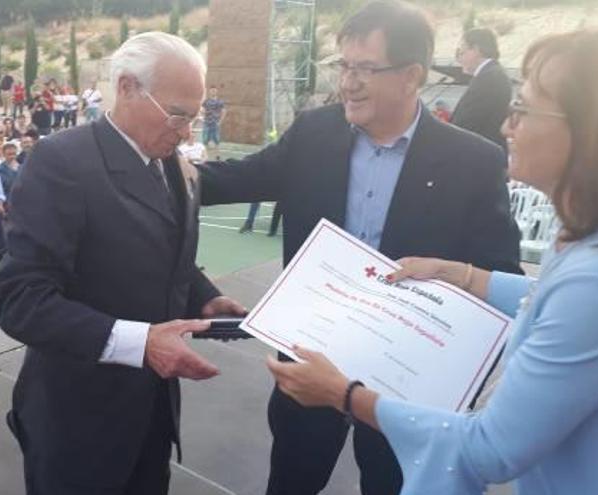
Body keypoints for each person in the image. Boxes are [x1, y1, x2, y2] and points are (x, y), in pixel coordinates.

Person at [266, 26, 598, 495]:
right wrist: (465, 277)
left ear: (594, 131)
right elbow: (554, 302)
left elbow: (488, 449)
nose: (507, 126)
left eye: (523, 109)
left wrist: (345, 396)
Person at [197, 2, 521, 494]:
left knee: (389, 484)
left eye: (365, 68)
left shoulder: (473, 161)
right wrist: (159, 168)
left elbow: (499, 272)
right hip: (310, 360)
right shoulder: (314, 132)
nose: (348, 81)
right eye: (343, 65)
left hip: (402, 380)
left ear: (412, 75)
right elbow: (240, 177)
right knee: (291, 479)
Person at [0, 32, 245, 495]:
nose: (187, 131)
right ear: (127, 87)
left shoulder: (177, 166)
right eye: (178, 114)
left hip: (152, 413)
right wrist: (142, 343)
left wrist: (205, 298)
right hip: (78, 422)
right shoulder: (63, 161)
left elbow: (164, 254)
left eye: (195, 115)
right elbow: (20, 301)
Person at [451, 28, 512, 152]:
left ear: (476, 50)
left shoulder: (489, 78)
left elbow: (467, 121)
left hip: (479, 153)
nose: (459, 58)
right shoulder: (491, 73)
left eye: (462, 51)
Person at [201, 85, 226, 160]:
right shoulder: (206, 101)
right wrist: (203, 115)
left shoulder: (220, 101)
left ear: (217, 91)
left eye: (214, 90)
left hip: (215, 123)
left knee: (216, 140)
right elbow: (202, 110)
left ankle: (217, 157)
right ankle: (205, 158)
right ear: (209, 92)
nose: (213, 91)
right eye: (212, 90)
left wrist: (220, 122)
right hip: (207, 123)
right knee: (205, 140)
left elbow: (224, 111)